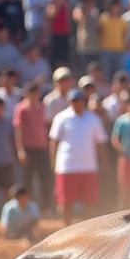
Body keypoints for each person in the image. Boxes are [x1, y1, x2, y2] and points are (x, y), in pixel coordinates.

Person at [49, 87, 107, 225]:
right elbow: (53, 142)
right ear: (69, 102)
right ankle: (66, 229)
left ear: (84, 101)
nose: (76, 104)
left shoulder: (93, 119)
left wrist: (103, 162)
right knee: (66, 202)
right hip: (67, 166)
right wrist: (53, 162)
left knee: (90, 202)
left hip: (88, 166)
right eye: (73, 101)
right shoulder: (61, 118)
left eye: (79, 101)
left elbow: (100, 143)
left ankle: (88, 231)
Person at [13, 82, 51, 212]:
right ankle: (25, 207)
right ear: (27, 94)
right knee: (27, 180)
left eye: (36, 93)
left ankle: (47, 208)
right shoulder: (21, 108)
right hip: (28, 148)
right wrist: (20, 150)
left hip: (41, 148)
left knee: (45, 178)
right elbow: (19, 130)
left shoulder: (41, 107)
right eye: (32, 93)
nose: (35, 96)